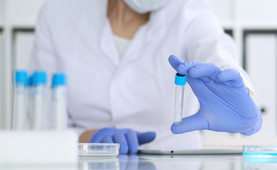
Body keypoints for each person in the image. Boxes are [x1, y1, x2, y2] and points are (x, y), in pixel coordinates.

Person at [30, 0, 262, 154]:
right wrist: (90, 139)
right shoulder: (59, 11)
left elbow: (216, 50)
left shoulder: (189, 9)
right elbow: (43, 124)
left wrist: (242, 98)